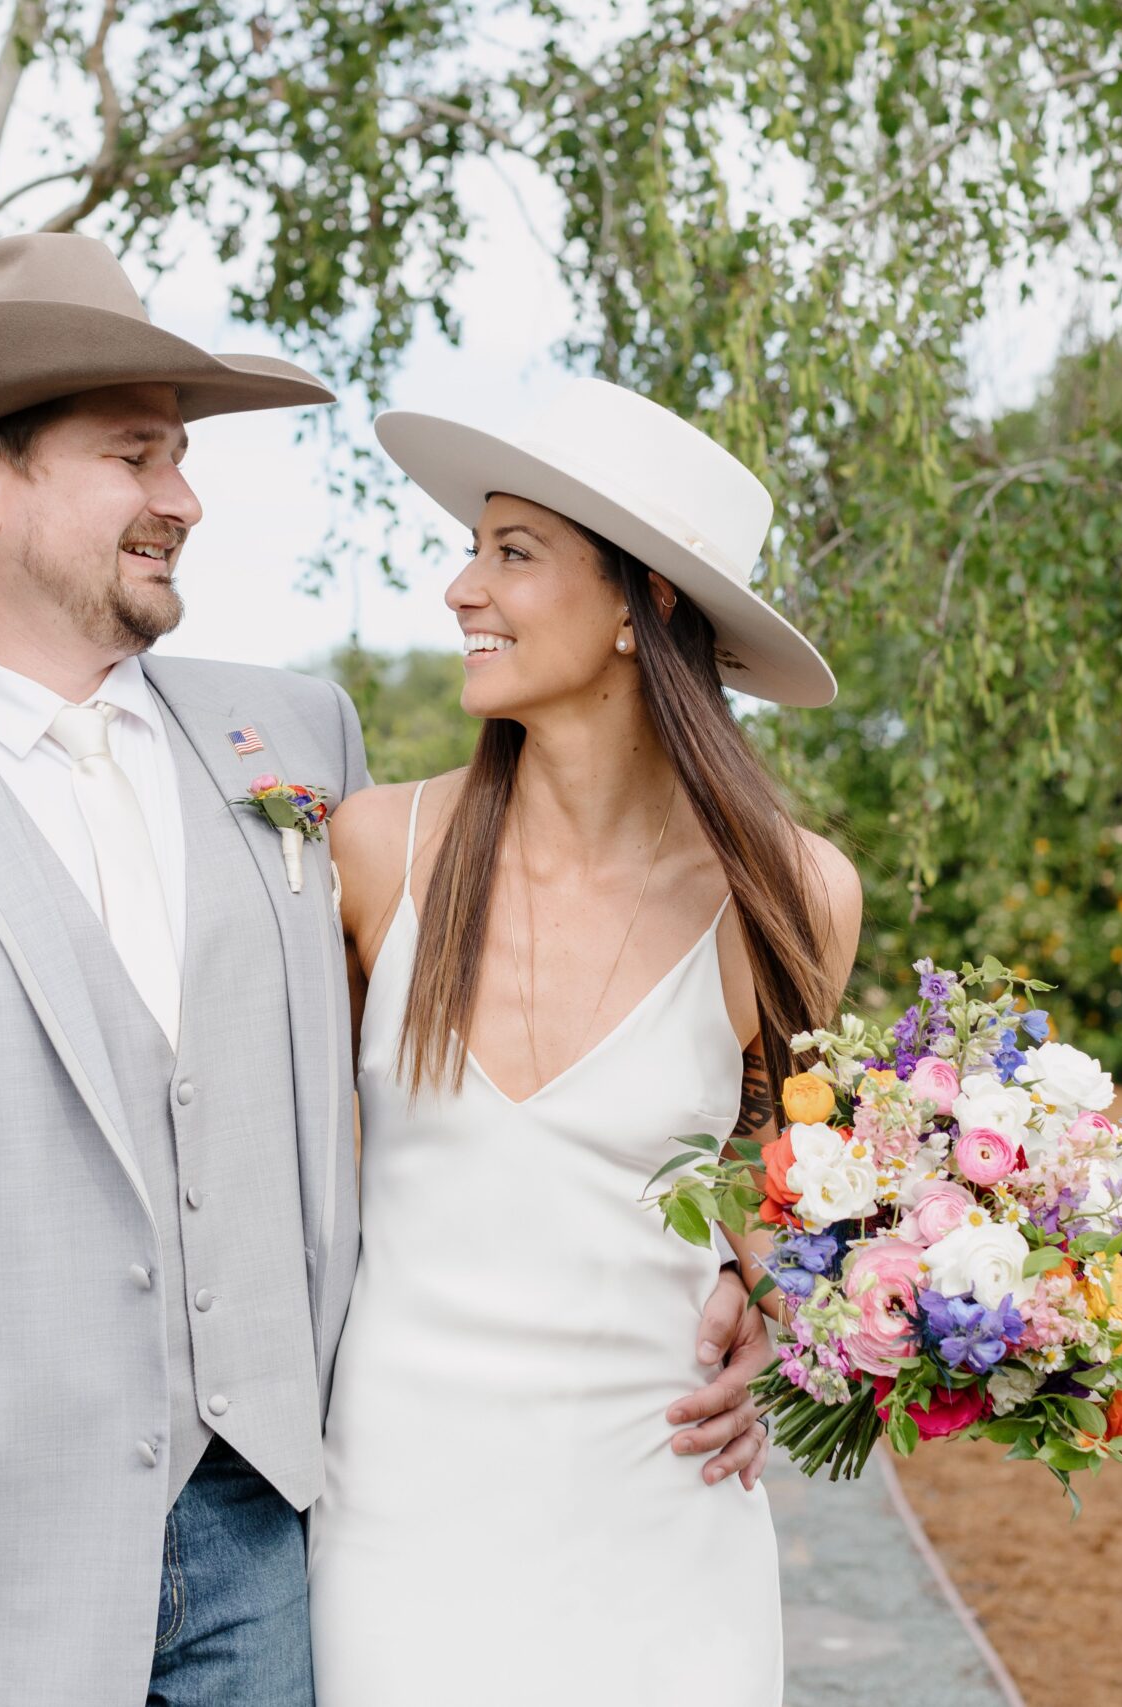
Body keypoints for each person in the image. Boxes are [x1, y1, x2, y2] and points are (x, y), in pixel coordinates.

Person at [0, 235, 777, 1707]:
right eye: (136, 456)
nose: (185, 497)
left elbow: (486, 1090)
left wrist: (735, 1273)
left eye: (180, 456)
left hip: (288, 1568)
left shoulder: (299, 746)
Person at [309, 377, 864, 1704]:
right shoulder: (378, 854)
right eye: (469, 548)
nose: (460, 589)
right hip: (398, 1532)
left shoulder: (793, 895)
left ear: (643, 603)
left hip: (660, 1524)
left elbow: (799, 1178)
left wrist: (770, 1307)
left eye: (513, 552)